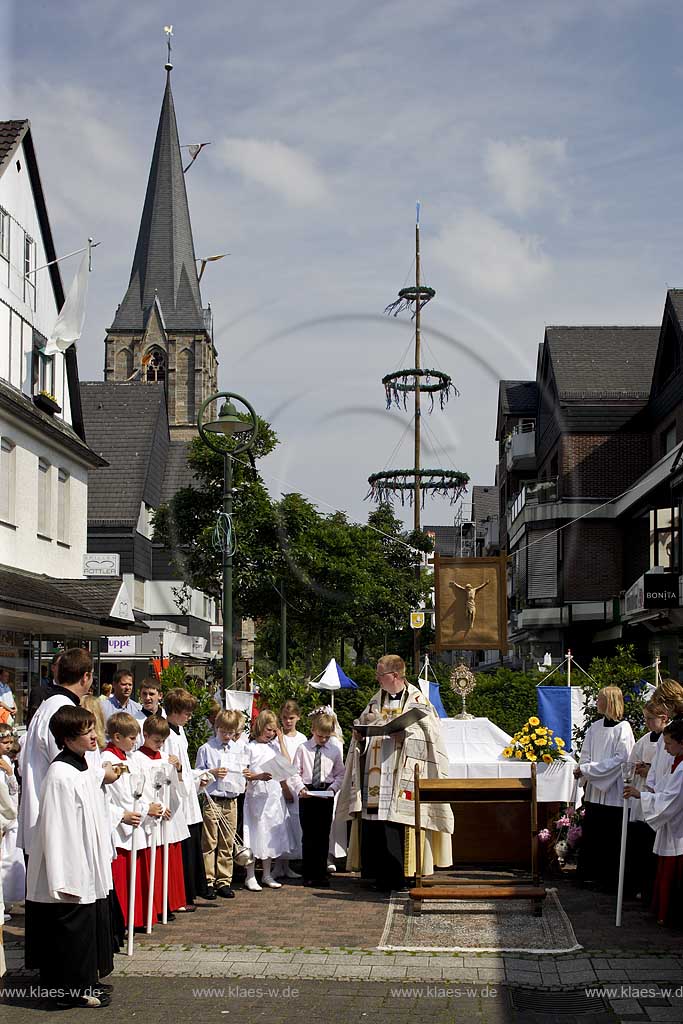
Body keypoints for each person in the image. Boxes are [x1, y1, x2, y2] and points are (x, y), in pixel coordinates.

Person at [336, 654, 454, 893]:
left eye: (380, 674)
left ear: (395, 676)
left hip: (404, 772)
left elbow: (432, 737)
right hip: (376, 771)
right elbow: (364, 722)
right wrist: (359, 734)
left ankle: (403, 876)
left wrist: (406, 738)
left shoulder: (418, 701)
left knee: (399, 823)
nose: (377, 679)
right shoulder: (375, 699)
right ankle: (377, 876)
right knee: (375, 823)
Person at [25, 705, 115, 1009]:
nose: (93, 736)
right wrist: (64, 876)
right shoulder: (60, 774)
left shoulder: (83, 765)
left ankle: (86, 983)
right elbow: (57, 829)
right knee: (70, 932)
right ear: (66, 738)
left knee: (87, 929)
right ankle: (69, 991)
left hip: (88, 863)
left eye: (92, 729)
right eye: (85, 732)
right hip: (71, 867)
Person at [574, 685, 635, 890]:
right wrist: (585, 769)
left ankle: (611, 880)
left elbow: (622, 760)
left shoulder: (623, 728)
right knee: (593, 833)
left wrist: (589, 770)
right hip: (595, 792)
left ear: (609, 701)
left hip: (614, 792)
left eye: (600, 698)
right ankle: (589, 875)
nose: (596, 702)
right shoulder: (595, 727)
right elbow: (586, 755)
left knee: (612, 836)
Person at [624, 718, 683, 926]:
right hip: (672, 825)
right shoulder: (676, 763)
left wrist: (642, 796)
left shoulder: (682, 766)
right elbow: (666, 791)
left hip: (678, 829)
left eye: (668, 744)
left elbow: (671, 799)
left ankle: (671, 915)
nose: (665, 748)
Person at [131, 714, 187, 918]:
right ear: (145, 735)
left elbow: (175, 789)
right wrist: (152, 808)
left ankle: (166, 904)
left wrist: (178, 769)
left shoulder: (165, 758)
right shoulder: (137, 759)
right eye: (156, 741)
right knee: (149, 864)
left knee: (164, 864)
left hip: (164, 819)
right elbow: (139, 789)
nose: (160, 745)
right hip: (149, 819)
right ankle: (151, 907)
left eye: (163, 741)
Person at [163, 688, 209, 908]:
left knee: (191, 841)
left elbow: (186, 765)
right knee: (182, 845)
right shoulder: (167, 734)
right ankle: (180, 894)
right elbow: (171, 766)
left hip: (187, 793)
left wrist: (198, 779)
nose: (189, 717)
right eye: (186, 713)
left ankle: (189, 891)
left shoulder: (179, 731)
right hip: (176, 797)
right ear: (175, 710)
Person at [242, 710, 297, 891]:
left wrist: (280, 741)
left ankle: (267, 874)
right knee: (255, 833)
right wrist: (258, 776)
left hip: (273, 797)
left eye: (274, 730)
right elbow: (245, 772)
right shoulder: (250, 747)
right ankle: (250, 875)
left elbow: (287, 764)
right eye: (268, 729)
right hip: (256, 797)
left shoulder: (273, 746)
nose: (271, 733)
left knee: (269, 835)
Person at [289, 710, 345, 887]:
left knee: (322, 835)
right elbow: (294, 773)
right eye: (320, 736)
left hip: (325, 793)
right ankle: (309, 873)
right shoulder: (303, 748)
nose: (323, 740)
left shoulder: (334, 750)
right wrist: (300, 788)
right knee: (309, 835)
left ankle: (321, 873)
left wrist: (333, 788)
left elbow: (340, 774)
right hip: (308, 793)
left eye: (327, 737)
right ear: (313, 730)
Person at [196, 709, 247, 899]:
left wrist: (245, 777)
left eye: (231, 733)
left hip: (231, 800)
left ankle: (224, 880)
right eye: (223, 732)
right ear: (217, 728)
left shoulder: (239, 748)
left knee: (227, 841)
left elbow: (242, 771)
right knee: (209, 841)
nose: (227, 736)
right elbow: (198, 774)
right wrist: (212, 773)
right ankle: (208, 879)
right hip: (213, 799)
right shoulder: (206, 748)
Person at [625, 700, 669, 901]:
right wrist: (637, 768)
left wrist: (649, 769)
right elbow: (630, 763)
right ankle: (638, 886)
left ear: (664, 718)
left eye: (651, 719)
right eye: (646, 719)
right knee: (639, 846)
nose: (647, 723)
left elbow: (670, 770)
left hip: (657, 799)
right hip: (640, 796)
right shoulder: (643, 741)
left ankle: (652, 890)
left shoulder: (670, 741)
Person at [0, 725, 24, 915]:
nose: (8, 746)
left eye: (10, 742)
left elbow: (14, 789)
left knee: (10, 857)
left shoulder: (8, 761)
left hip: (10, 813)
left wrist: (9, 772)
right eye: (4, 742)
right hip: (2, 813)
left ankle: (7, 899)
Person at [26, 654, 61, 727]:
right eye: (61, 665)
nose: (65, 669)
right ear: (53, 668)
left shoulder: (78, 694)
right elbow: (31, 724)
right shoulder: (38, 692)